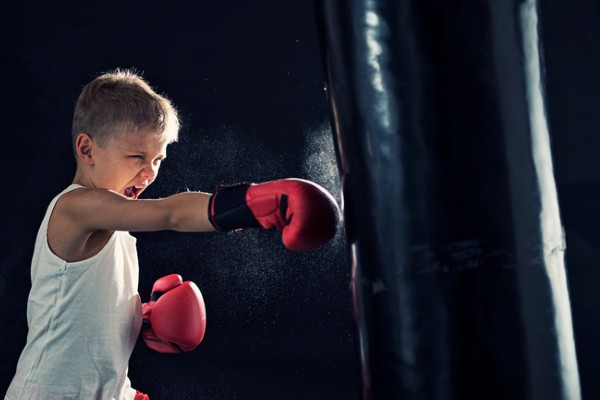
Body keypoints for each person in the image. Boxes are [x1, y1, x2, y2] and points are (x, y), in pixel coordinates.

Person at [5, 68, 339, 400]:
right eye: (137, 156)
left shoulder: (116, 227)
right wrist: (256, 204)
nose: (149, 172)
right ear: (87, 150)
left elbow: (86, 331)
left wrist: (137, 320)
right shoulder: (76, 207)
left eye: (158, 159)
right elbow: (171, 213)